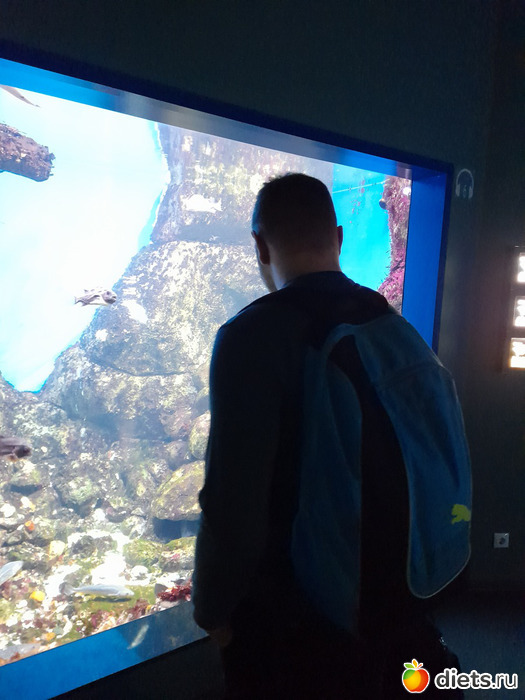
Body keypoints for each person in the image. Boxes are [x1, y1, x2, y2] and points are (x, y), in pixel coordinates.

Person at [192, 173, 467, 699]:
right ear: (338, 238)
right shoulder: (391, 324)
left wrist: (213, 611)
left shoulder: (249, 337)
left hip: (298, 621)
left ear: (259, 246)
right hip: (400, 596)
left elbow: (233, 503)